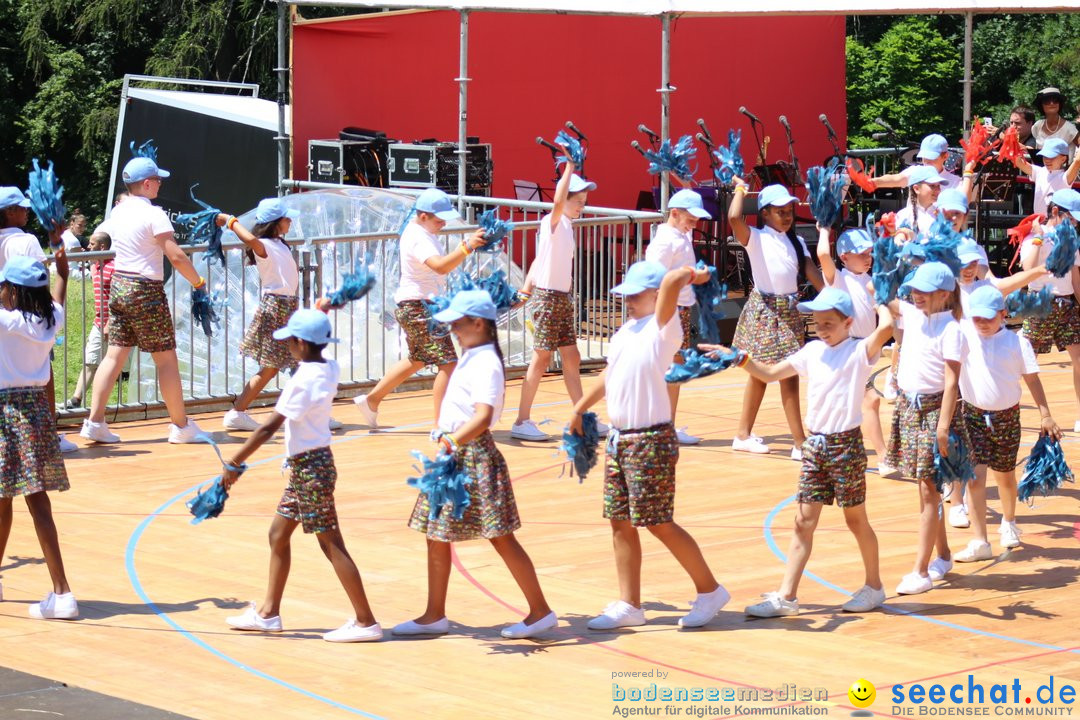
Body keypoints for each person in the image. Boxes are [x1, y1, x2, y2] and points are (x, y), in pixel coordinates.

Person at [711, 287, 893, 616]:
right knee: (802, 522)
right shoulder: (811, 352)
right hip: (815, 447)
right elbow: (768, 373)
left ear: (848, 322)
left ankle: (874, 587)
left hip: (845, 446)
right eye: (817, 323)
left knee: (856, 520)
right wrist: (739, 358)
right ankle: (787, 596)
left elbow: (887, 328)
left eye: (829, 323)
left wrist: (879, 296)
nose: (821, 329)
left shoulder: (858, 351)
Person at [570, 262, 730, 630]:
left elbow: (673, 280)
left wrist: (697, 273)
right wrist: (579, 408)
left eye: (636, 293)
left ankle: (710, 590)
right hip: (619, 439)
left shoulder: (664, 328)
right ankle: (630, 603)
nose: (627, 299)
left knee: (658, 522)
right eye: (625, 293)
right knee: (619, 521)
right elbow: (609, 375)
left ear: (658, 296)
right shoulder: (625, 332)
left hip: (650, 440)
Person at [394, 290, 557, 640]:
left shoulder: (485, 362)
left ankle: (540, 611)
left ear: (478, 323)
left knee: (500, 536)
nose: (452, 327)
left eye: (458, 322)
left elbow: (483, 417)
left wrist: (453, 439)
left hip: (474, 457)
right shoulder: (473, 356)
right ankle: (434, 614)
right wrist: (446, 432)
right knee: (436, 534)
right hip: (455, 455)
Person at [222, 309, 382, 643]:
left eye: (290, 342)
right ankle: (268, 613)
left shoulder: (302, 380)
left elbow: (268, 427)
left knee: (331, 544)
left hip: (310, 470)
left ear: (298, 342)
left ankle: (366, 621)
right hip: (310, 467)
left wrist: (234, 462)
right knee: (278, 535)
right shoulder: (328, 367)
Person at [80, 157, 206, 445]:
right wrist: (198, 282)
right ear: (146, 184)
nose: (161, 183)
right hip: (145, 289)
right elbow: (175, 255)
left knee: (114, 355)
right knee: (166, 359)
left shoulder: (119, 212)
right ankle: (181, 426)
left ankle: (94, 422)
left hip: (120, 286)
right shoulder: (155, 215)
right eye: (158, 180)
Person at [354, 188, 485, 427]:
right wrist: (467, 247)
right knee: (448, 363)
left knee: (418, 358)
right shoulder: (419, 236)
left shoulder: (421, 232)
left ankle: (371, 400)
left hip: (417, 304)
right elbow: (440, 266)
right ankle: (442, 424)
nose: (443, 223)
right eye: (439, 219)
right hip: (420, 307)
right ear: (423, 215)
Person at [955, 285, 1061, 561]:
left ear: (1003, 314)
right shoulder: (965, 336)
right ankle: (980, 540)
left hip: (1006, 418)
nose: (981, 324)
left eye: (988, 318)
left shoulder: (1017, 343)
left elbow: (1032, 379)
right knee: (975, 478)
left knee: (1004, 475)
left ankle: (1009, 521)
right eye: (976, 318)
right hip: (972, 416)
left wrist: (1045, 413)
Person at [0, 254, 79, 620]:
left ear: (12, 291)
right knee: (24, 500)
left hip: (6, 414)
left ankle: (62, 593)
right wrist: (61, 270)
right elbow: (59, 296)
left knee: (17, 502)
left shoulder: (7, 320)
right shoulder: (52, 319)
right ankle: (60, 591)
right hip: (36, 412)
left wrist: (58, 271)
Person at [886, 262, 966, 595]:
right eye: (914, 290)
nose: (916, 295)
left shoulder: (952, 330)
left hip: (935, 414)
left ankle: (920, 571)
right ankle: (943, 555)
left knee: (927, 492)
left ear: (944, 295)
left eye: (924, 291)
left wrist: (943, 427)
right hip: (909, 410)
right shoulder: (914, 314)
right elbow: (880, 295)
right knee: (927, 490)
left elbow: (951, 383)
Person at [728, 181, 824, 458]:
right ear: (765, 213)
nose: (786, 215)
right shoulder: (755, 238)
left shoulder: (797, 241)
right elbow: (734, 217)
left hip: (789, 312)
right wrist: (741, 191)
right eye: (779, 211)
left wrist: (832, 297)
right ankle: (798, 442)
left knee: (763, 375)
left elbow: (810, 272)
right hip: (766, 311)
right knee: (787, 374)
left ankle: (743, 435)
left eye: (789, 210)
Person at [511, 153, 597, 442]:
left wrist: (526, 287)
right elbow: (558, 203)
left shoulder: (566, 226)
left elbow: (540, 259)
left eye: (584, 203)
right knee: (541, 358)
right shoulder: (554, 219)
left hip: (559, 298)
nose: (582, 208)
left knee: (571, 357)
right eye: (579, 202)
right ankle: (522, 420)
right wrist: (570, 168)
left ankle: (582, 418)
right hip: (549, 299)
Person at [0, 188, 75, 453]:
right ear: (9, 212)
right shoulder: (52, 316)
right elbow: (59, 276)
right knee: (44, 368)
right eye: (21, 207)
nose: (27, 210)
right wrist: (57, 243)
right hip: (33, 315)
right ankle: (48, 433)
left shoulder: (5, 321)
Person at [219, 199, 303, 431]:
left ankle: (310, 412)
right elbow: (249, 239)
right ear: (275, 222)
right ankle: (238, 411)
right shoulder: (264, 245)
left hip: (287, 308)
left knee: (299, 363)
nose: (290, 221)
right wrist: (230, 220)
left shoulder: (280, 244)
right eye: (287, 218)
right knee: (271, 367)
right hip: (276, 309)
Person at [815, 225, 890, 472]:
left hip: (865, 348)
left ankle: (827, 449)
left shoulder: (871, 282)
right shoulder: (838, 279)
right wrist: (825, 231)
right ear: (845, 256)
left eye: (870, 253)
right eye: (861, 254)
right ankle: (883, 456)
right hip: (847, 350)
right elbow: (824, 256)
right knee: (869, 400)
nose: (868, 259)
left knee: (854, 403)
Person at [644, 188, 711, 445]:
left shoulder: (680, 234)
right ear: (674, 214)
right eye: (690, 219)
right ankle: (662, 424)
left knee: (675, 367)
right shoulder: (666, 241)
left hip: (679, 308)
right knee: (669, 367)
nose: (694, 225)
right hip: (669, 309)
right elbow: (655, 277)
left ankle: (667, 423)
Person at [1017, 188, 1080, 432]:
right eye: (1071, 218)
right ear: (1055, 211)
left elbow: (1075, 281)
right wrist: (1038, 237)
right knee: (1022, 359)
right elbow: (1027, 268)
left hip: (1066, 305)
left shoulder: (1071, 241)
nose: (1074, 223)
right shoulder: (1036, 236)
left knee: (1079, 359)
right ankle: (996, 407)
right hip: (1040, 304)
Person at [64, 232, 115, 409]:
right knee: (91, 360)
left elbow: (118, 297)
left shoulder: (114, 267)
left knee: (113, 364)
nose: (88, 247)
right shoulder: (95, 266)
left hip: (116, 322)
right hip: (99, 322)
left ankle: (99, 405)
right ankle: (76, 399)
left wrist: (110, 323)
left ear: (102, 247)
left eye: (92, 244)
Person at [1009, 137, 1080, 215]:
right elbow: (1017, 160)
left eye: (1052, 157)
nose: (1047, 160)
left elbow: (1077, 161)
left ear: (1063, 159)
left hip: (1056, 223)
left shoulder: (1065, 177)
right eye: (1045, 156)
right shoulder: (1040, 171)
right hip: (1039, 222)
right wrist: (1009, 139)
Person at [874, 134, 962, 191]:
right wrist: (870, 182)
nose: (927, 160)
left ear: (945, 156)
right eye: (924, 156)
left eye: (932, 157)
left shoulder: (955, 181)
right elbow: (895, 179)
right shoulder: (915, 171)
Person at [894, 166, 948, 240]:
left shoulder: (943, 214)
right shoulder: (904, 215)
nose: (937, 190)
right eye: (932, 186)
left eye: (938, 186)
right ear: (916, 189)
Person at [1032, 87, 1078, 154]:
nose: (1051, 103)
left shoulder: (1070, 128)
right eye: (1047, 101)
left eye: (1055, 100)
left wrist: (1075, 163)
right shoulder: (1037, 126)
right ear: (1041, 105)